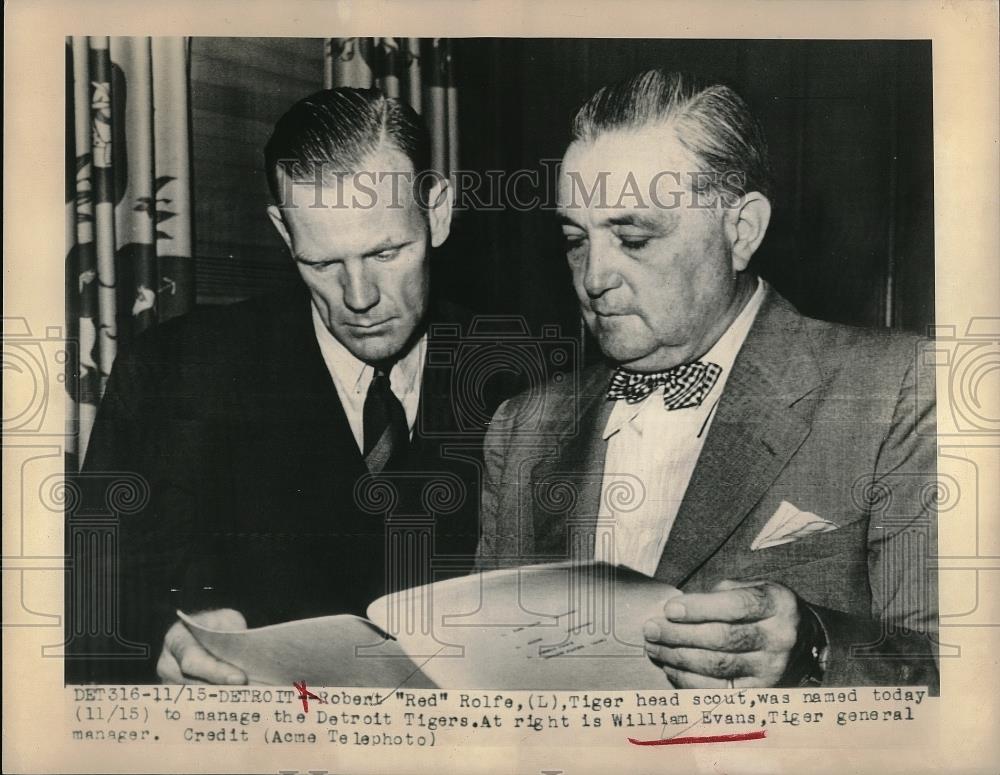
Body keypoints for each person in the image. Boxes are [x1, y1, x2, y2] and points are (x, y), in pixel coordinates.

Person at [476, 70, 939, 690]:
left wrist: (814, 651)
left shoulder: (895, 390)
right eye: (574, 240)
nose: (593, 278)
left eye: (633, 238)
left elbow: (962, 677)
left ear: (741, 230)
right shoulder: (524, 426)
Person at [69, 87, 501, 684]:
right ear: (282, 229)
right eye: (322, 264)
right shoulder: (174, 373)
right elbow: (93, 598)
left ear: (439, 211)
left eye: (386, 253)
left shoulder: (521, 380)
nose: (358, 298)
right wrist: (165, 638)